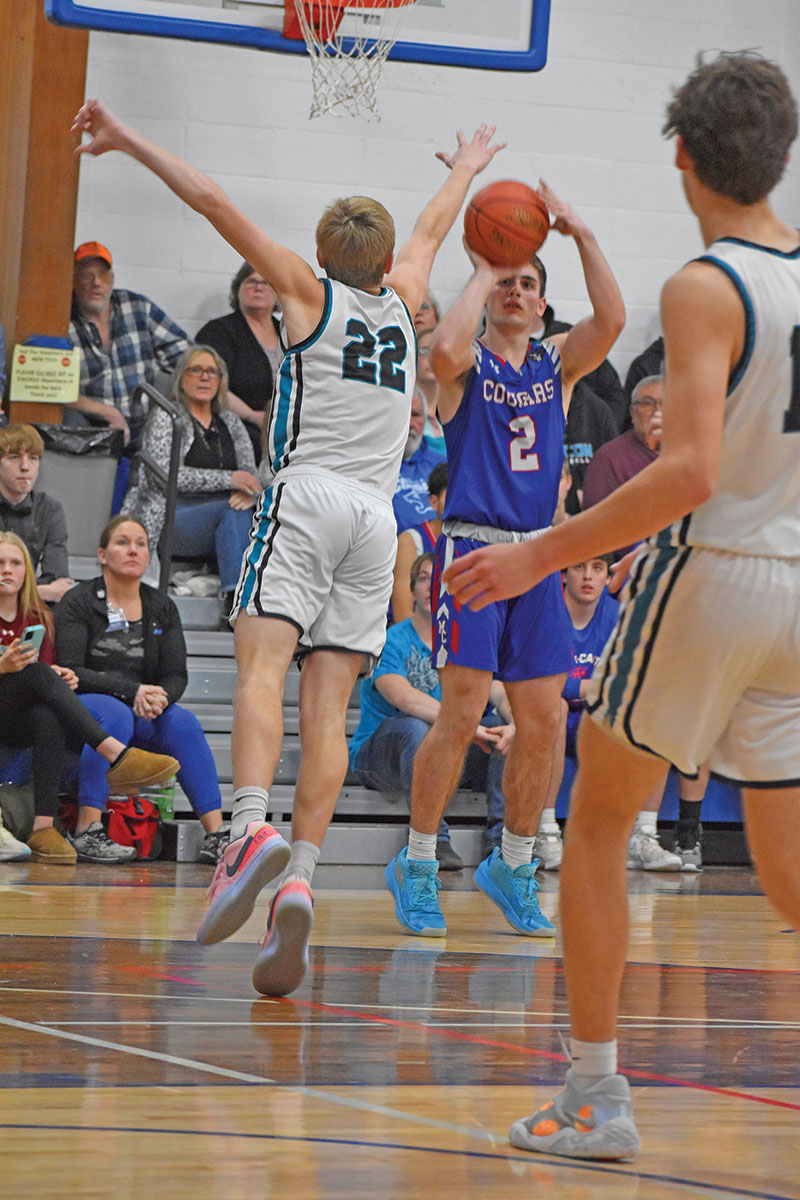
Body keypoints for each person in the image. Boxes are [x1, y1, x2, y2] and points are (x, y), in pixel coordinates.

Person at [443, 51, 800, 1161]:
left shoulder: (706, 285)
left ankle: (593, 1100)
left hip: (715, 574)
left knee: (594, 824)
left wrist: (537, 552)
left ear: (682, 157)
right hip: (796, 589)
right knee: (787, 866)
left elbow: (687, 467)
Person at [71, 98, 505, 994]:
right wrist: (465, 166)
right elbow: (431, 226)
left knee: (263, 667)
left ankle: (250, 828)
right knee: (331, 704)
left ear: (320, 253)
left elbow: (212, 198)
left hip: (305, 497)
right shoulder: (406, 298)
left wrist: (129, 138)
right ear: (384, 261)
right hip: (377, 520)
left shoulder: (308, 294)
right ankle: (300, 875)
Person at [385, 180, 625, 939]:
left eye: (527, 283)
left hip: (538, 559)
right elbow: (444, 348)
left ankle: (514, 862)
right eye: (506, 283)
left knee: (546, 720)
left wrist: (580, 229)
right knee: (459, 714)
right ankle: (418, 862)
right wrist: (489, 260)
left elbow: (613, 318)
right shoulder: (467, 368)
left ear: (544, 304)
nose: (516, 292)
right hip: (473, 552)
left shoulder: (557, 367)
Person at [54, 515, 227, 864]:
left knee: (184, 723)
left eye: (141, 543)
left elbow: (176, 674)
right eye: (122, 542)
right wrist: (132, 691)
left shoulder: (162, 606)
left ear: (149, 555)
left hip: (141, 707)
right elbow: (71, 670)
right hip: (87, 707)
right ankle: (87, 830)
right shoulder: (78, 601)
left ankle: (216, 835)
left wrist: (160, 698)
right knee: (114, 714)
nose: (133, 549)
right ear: (102, 554)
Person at [0, 531, 179, 863]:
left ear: (27, 571)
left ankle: (42, 827)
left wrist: (60, 674)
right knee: (37, 673)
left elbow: (46, 670)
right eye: (0, 563)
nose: (7, 570)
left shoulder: (38, 616)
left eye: (14, 563)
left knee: (48, 712)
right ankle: (112, 751)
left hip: (16, 714)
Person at [350, 553, 513, 871]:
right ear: (411, 590)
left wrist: (515, 723)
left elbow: (499, 692)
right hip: (382, 757)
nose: (431, 586)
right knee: (417, 728)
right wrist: (465, 725)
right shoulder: (390, 639)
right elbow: (405, 698)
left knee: (499, 728)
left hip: (448, 752)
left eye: (440, 579)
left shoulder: (462, 644)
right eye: (424, 578)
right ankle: (433, 839)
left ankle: (499, 843)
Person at [560, 556, 682, 871]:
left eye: (598, 568)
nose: (588, 577)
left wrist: (583, 687)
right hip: (550, 718)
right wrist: (591, 687)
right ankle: (544, 833)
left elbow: (632, 679)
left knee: (659, 719)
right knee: (554, 709)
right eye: (579, 567)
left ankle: (643, 835)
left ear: (608, 577)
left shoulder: (619, 616)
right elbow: (537, 682)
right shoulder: (546, 614)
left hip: (601, 721)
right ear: (563, 574)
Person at [123, 344, 260, 617]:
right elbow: (165, 476)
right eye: (196, 370)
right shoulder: (167, 417)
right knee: (231, 511)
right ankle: (239, 602)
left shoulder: (231, 423)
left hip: (224, 519)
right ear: (181, 378)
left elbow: (251, 476)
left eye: (212, 371)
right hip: (172, 514)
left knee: (247, 511)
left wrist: (249, 493)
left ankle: (241, 598)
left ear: (221, 380)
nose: (205, 377)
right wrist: (230, 480)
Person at [68, 240, 191, 508]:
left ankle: (146, 532)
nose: (95, 283)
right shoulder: (60, 319)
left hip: (141, 418)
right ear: (73, 281)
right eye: (86, 276)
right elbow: (53, 389)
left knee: (168, 435)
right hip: (90, 422)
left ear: (112, 280)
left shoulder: (138, 307)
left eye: (102, 275)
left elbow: (186, 356)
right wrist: (107, 413)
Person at [196, 261, 282, 462]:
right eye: (250, 281)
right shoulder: (218, 331)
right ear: (238, 290)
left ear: (277, 294)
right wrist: (253, 416)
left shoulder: (288, 333)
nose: (258, 287)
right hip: (237, 423)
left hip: (282, 424)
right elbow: (212, 386)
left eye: (265, 283)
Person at [0, 424, 75, 603]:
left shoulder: (50, 509)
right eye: (14, 457)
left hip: (28, 611)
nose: (25, 467)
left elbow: (58, 580)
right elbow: (51, 590)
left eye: (33, 458)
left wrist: (12, 592)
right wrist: (42, 592)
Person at [582, 375, 663, 513]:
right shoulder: (608, 459)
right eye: (647, 403)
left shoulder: (695, 453)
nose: (657, 411)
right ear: (632, 412)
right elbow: (596, 522)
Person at [390, 462, 447, 624]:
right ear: (433, 502)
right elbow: (402, 615)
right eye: (450, 497)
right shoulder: (411, 541)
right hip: (416, 642)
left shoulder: (471, 541)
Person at [392, 390, 446, 534]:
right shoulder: (375, 462)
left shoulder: (443, 464)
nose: (410, 423)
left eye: (416, 415)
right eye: (404, 414)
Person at [415, 329, 446, 454]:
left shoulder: (455, 415)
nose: (431, 358)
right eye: (425, 351)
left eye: (437, 351)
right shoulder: (405, 413)